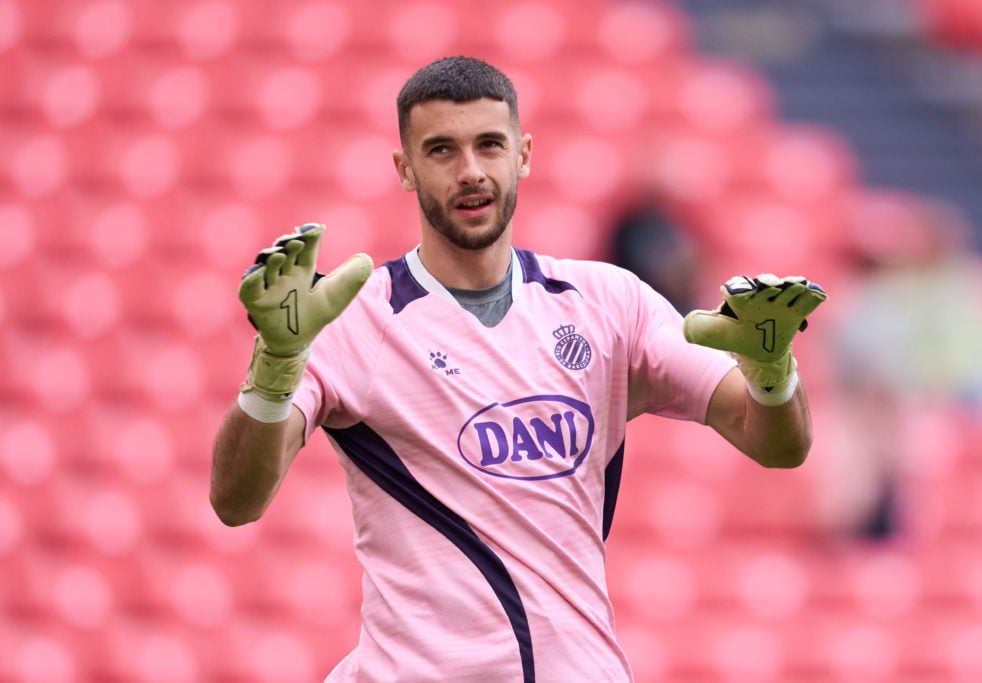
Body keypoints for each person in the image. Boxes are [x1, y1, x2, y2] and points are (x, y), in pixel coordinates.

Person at [210, 56, 827, 683]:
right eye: (442, 150)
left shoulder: (609, 302)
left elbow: (776, 444)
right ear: (404, 169)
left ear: (523, 154)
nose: (471, 171)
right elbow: (236, 501)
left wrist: (770, 371)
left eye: (489, 145)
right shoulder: (353, 320)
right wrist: (276, 365)